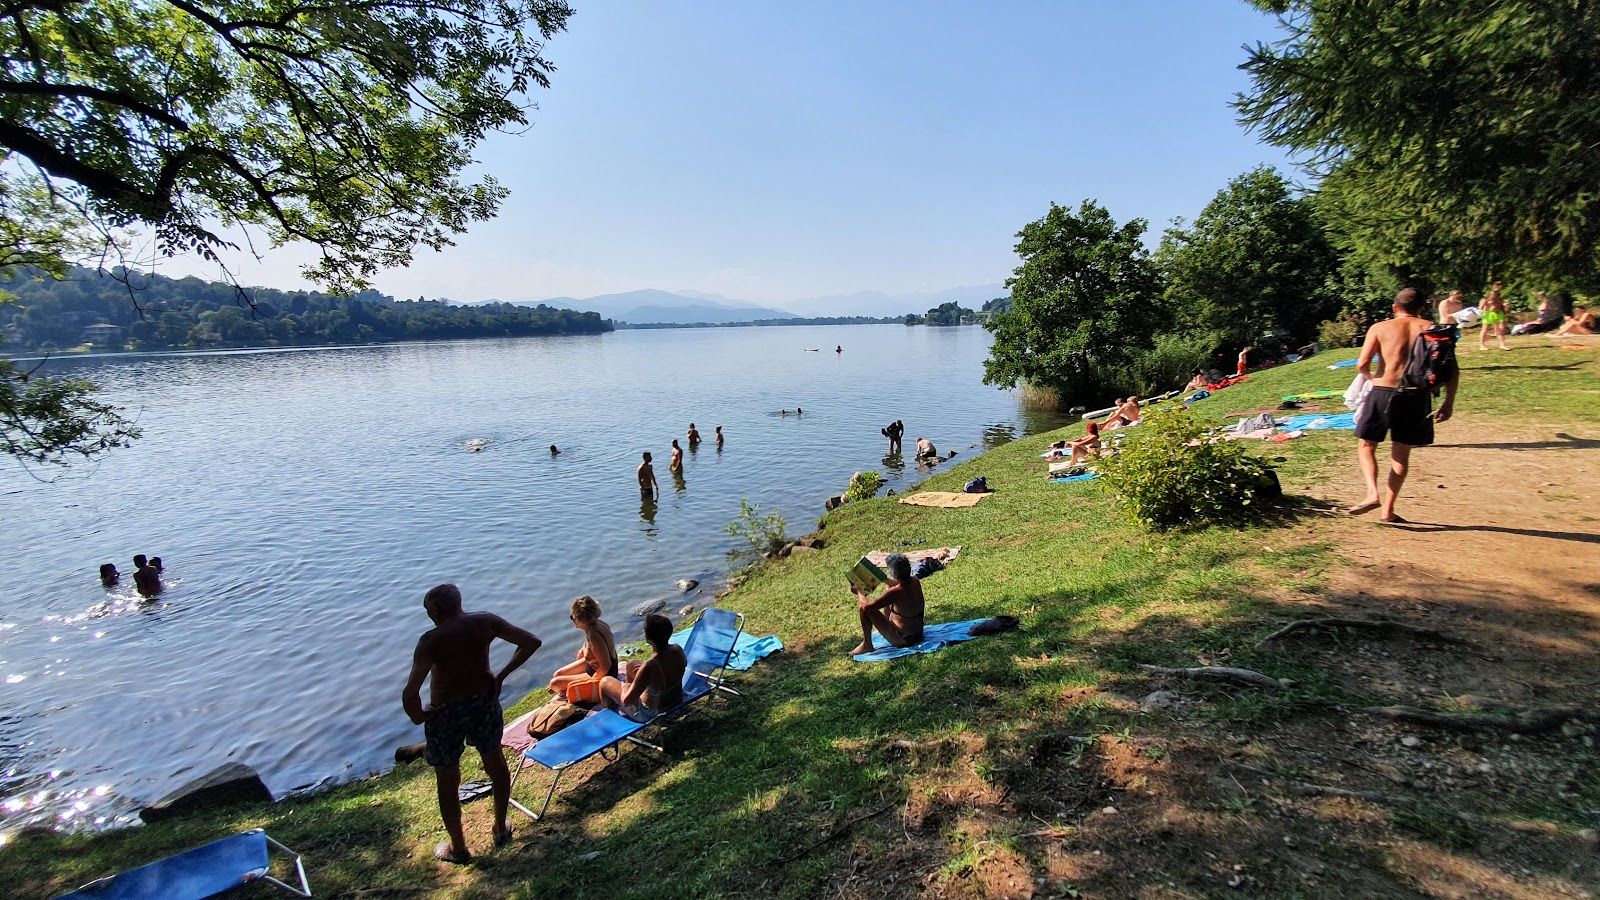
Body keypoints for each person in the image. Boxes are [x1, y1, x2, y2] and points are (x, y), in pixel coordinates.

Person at [402, 583, 542, 864]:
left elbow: (411, 691)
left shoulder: (431, 640)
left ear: (436, 609)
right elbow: (531, 642)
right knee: (495, 762)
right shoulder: (484, 621)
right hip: (483, 703)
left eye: (428, 609)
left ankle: (459, 847)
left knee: (447, 776)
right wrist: (500, 676)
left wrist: (419, 716)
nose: (427, 614)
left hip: (445, 712)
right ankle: (500, 828)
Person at [1348, 288, 1460, 523]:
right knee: (1400, 454)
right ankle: (1388, 510)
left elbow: (1362, 363)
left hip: (1382, 391)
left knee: (1367, 445)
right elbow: (1451, 370)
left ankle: (1371, 493)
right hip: (1416, 395)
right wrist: (1448, 403)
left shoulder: (1379, 328)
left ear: (1394, 307)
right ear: (1422, 307)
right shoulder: (1433, 328)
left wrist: (1371, 382)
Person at [600, 613, 686, 719]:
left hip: (652, 713)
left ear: (648, 637)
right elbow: (664, 671)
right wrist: (644, 676)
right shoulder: (677, 649)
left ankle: (611, 717)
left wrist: (626, 687)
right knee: (632, 664)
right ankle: (633, 691)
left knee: (604, 682)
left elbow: (626, 701)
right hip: (676, 699)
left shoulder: (649, 666)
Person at [849, 554, 925, 655]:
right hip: (918, 634)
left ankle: (867, 645)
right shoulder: (915, 581)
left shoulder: (895, 592)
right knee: (888, 587)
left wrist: (859, 592)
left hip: (903, 639)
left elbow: (866, 606)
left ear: (894, 573)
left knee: (864, 609)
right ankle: (869, 643)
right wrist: (884, 579)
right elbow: (900, 585)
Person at [546, 596, 617, 703]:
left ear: (580, 619)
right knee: (558, 674)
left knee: (555, 683)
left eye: (572, 617)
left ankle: (575, 691)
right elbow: (591, 647)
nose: (572, 619)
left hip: (604, 674)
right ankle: (567, 686)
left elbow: (606, 665)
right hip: (592, 664)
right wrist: (583, 650)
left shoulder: (594, 636)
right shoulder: (594, 625)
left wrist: (591, 682)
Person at [1478, 281, 1510, 350]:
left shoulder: (1499, 295)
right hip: (1488, 313)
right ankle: (1482, 345)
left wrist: (1505, 305)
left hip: (1498, 313)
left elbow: (1501, 303)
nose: (1499, 287)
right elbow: (1482, 303)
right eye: (1497, 285)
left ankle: (1502, 344)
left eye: (1500, 285)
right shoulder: (1489, 294)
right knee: (1485, 329)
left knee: (1500, 330)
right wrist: (1482, 310)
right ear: (1493, 286)